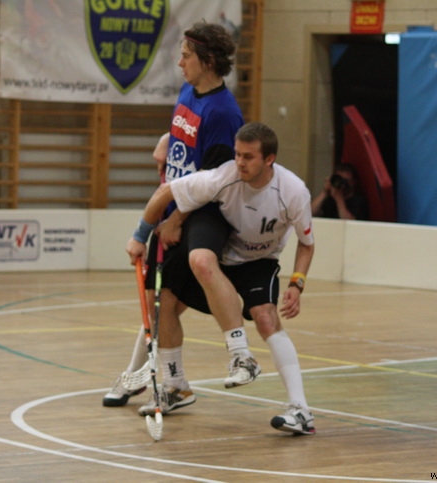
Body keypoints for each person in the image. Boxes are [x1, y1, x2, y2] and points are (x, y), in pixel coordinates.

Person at [126, 122, 316, 434]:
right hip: (224, 257)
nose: (240, 162)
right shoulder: (225, 176)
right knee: (165, 302)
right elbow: (166, 191)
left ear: (269, 159)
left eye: (248, 157)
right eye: (237, 154)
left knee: (266, 318)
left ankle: (301, 411)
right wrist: (139, 236)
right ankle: (176, 386)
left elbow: (307, 244)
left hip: (259, 261)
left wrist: (297, 283)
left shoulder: (293, 191)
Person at [102, 20, 246, 410]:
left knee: (162, 303)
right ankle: (147, 379)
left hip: (194, 218)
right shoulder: (188, 91)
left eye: (185, 56)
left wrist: (175, 221)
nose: (179, 62)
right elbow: (184, 134)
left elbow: (212, 184)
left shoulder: (224, 114)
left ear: (208, 60)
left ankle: (163, 382)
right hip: (170, 208)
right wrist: (166, 142)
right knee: (158, 304)